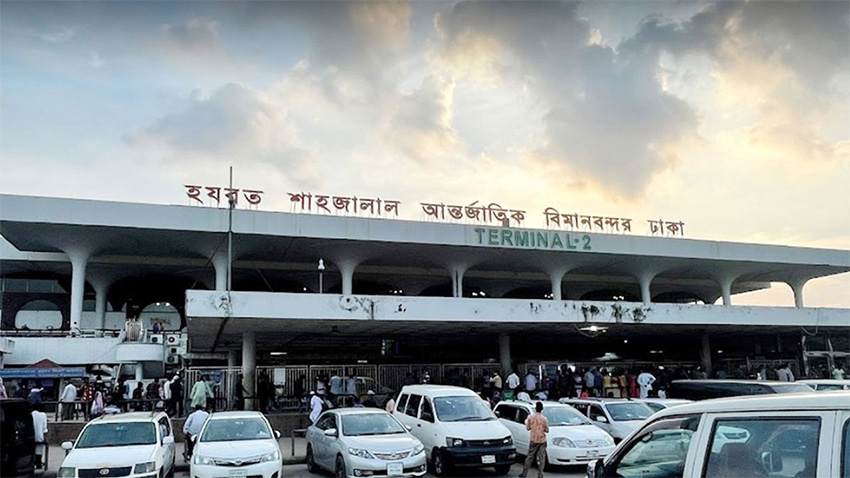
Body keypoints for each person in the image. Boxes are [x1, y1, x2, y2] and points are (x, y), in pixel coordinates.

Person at [518, 402, 549, 478]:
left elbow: (528, 428)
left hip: (533, 439)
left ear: (535, 408)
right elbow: (547, 430)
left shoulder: (530, 417)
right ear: (542, 409)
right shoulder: (544, 419)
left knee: (529, 457)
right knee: (541, 458)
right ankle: (540, 474)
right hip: (542, 440)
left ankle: (524, 473)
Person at [31, 403, 48, 468]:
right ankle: (38, 463)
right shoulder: (43, 415)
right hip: (40, 436)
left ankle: (33, 463)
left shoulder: (30, 415)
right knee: (39, 450)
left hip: (30, 437)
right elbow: (44, 428)